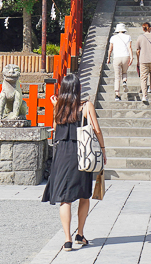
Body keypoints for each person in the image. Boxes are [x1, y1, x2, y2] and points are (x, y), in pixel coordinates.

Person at [42, 74, 105, 252]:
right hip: (81, 153)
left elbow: (55, 129)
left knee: (65, 199)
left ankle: (67, 240)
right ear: (78, 89)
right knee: (84, 195)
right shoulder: (86, 106)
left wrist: (56, 106)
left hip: (62, 154)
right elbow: (96, 129)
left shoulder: (58, 108)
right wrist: (103, 149)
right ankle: (80, 234)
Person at [133, 22, 151, 104]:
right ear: (150, 28)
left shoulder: (140, 37)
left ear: (143, 29)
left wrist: (138, 60)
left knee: (143, 77)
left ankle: (144, 96)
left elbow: (138, 50)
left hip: (143, 59)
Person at [106, 23, 134, 101]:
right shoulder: (128, 37)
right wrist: (131, 57)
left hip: (116, 57)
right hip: (126, 56)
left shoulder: (113, 38)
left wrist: (108, 58)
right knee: (124, 72)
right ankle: (124, 81)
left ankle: (117, 95)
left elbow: (110, 49)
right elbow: (130, 47)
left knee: (117, 76)